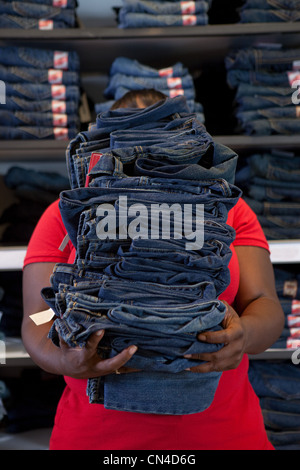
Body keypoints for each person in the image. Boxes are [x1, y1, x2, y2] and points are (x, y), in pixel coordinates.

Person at [22, 89, 284, 451]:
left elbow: (263, 301)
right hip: (99, 438)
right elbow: (38, 317)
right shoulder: (66, 215)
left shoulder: (227, 209)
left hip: (222, 433)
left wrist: (244, 335)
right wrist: (64, 357)